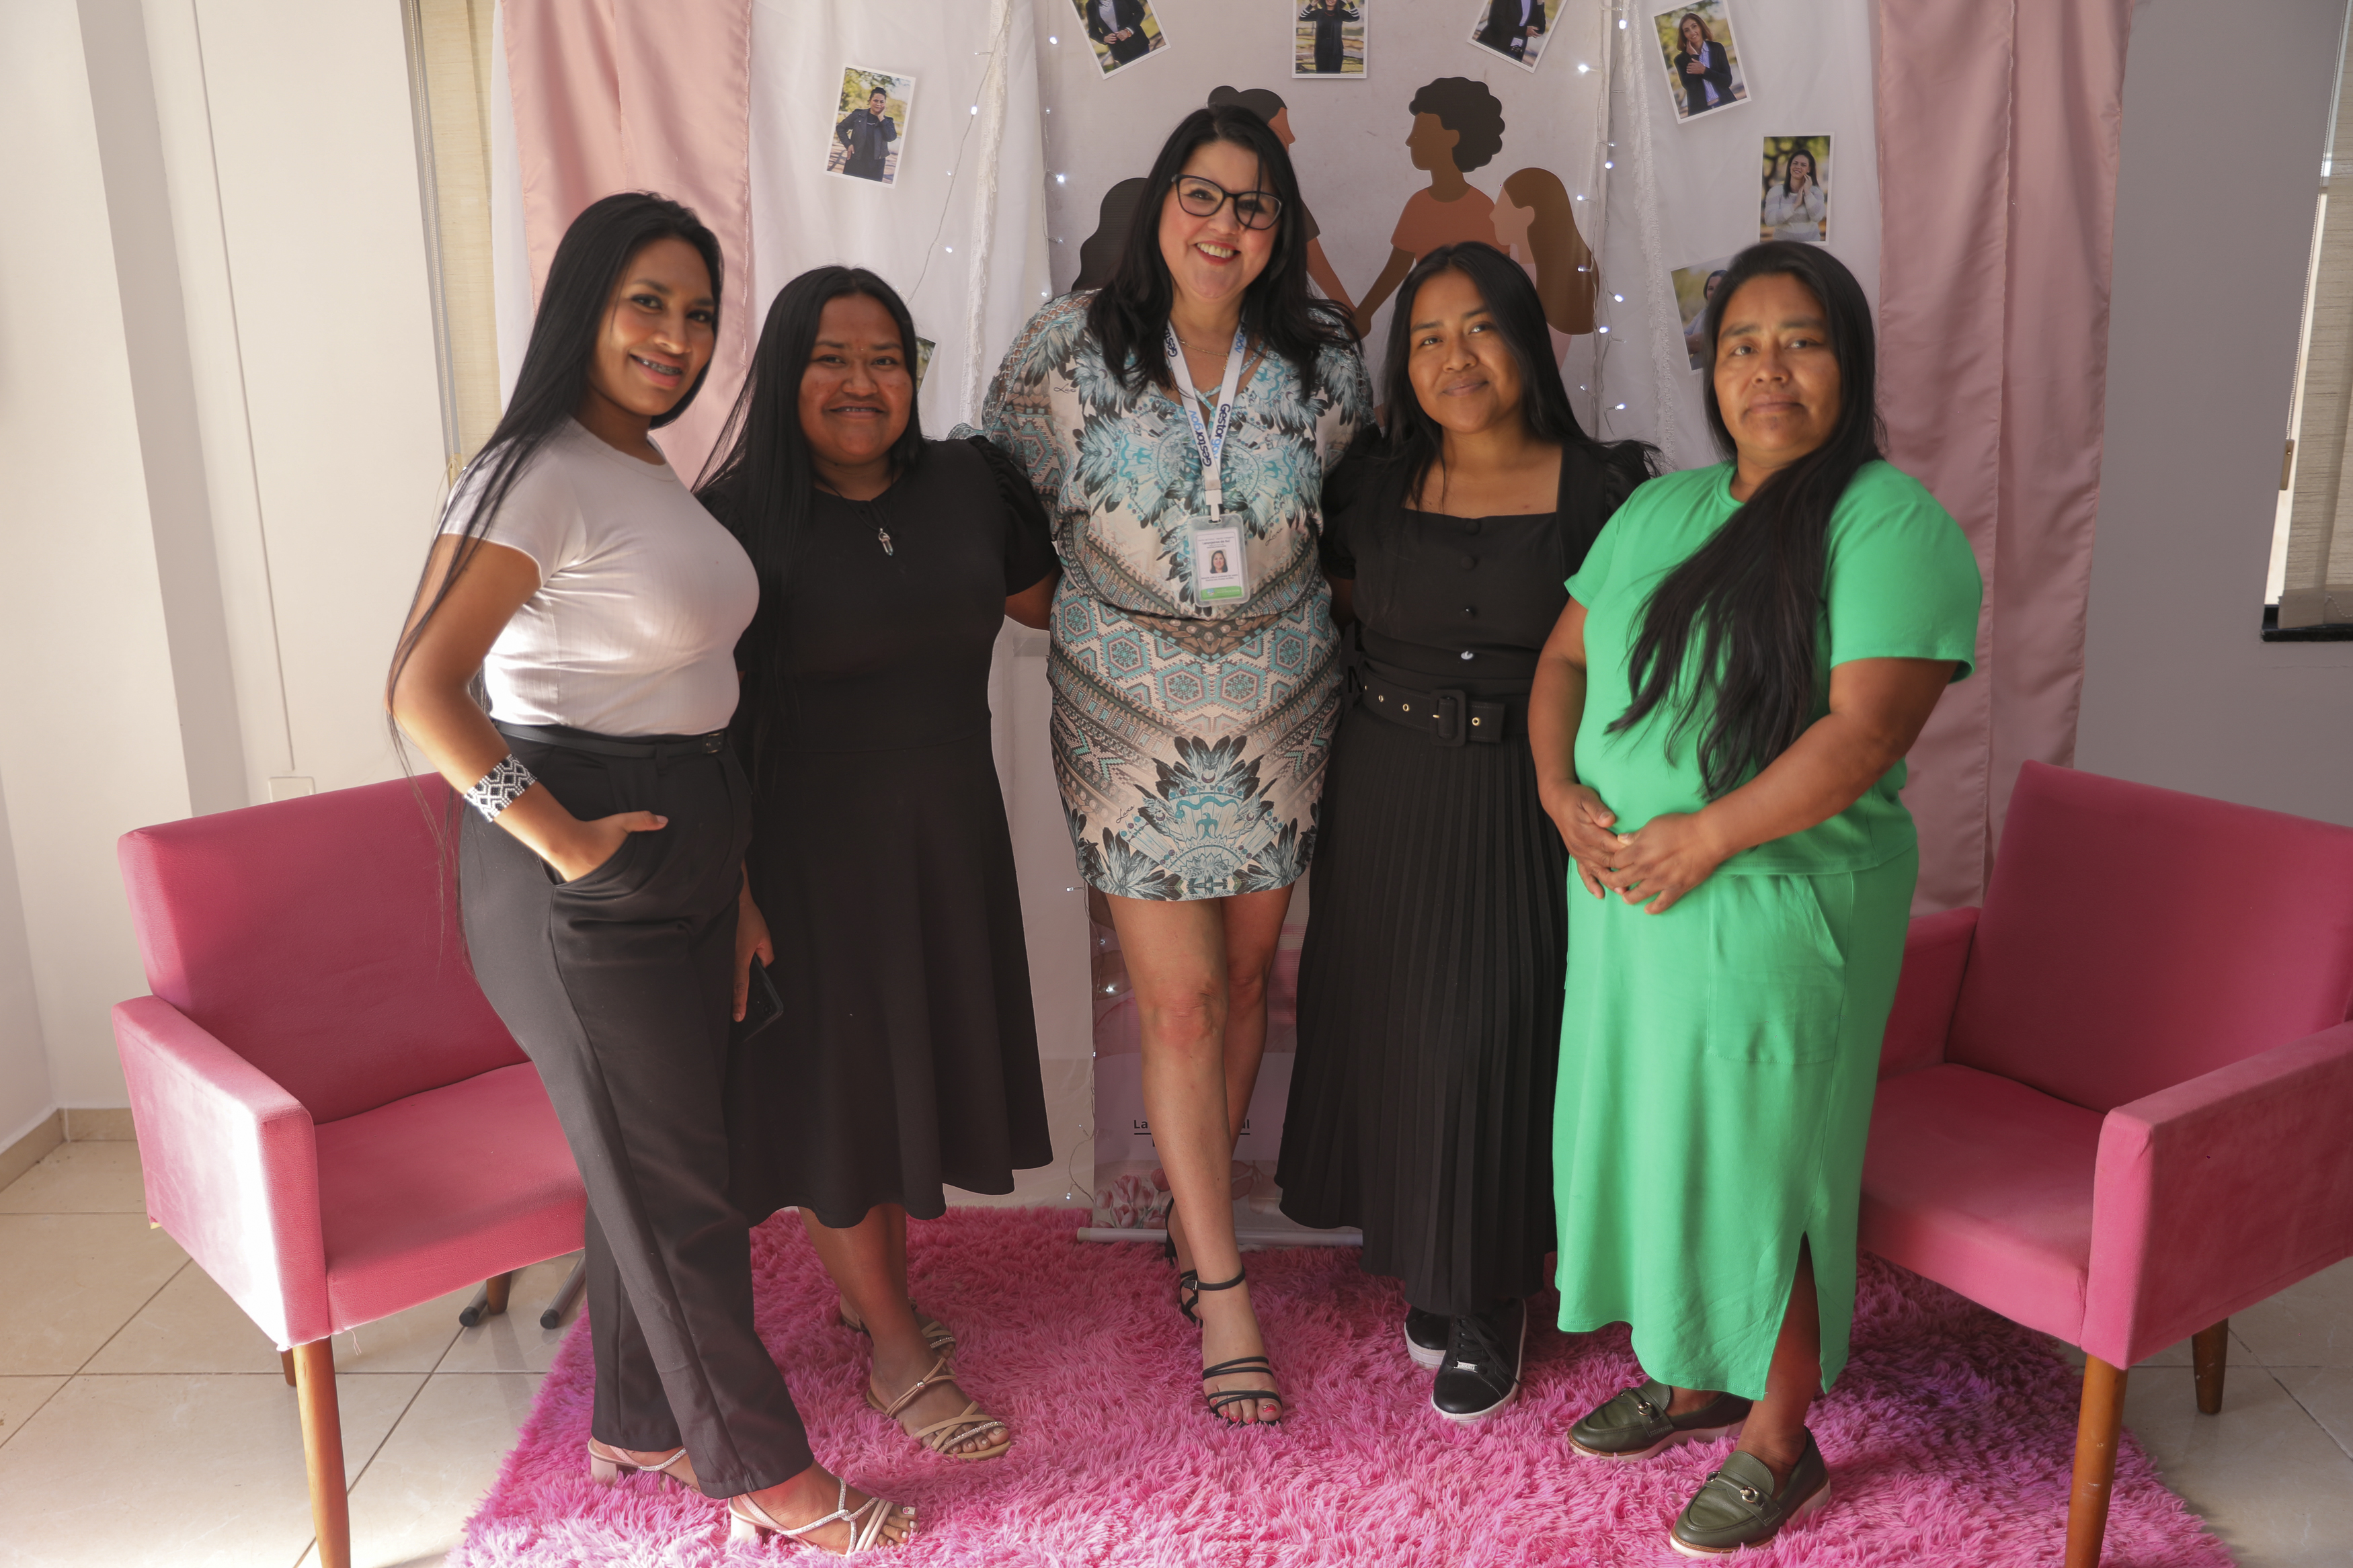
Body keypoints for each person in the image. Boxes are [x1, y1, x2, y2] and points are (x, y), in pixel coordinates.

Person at [386, 193, 914, 1555]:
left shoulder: (633, 465)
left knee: (666, 1163)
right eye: (647, 305)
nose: (675, 336)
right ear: (584, 307)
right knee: (678, 1188)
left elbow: (677, 686)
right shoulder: (532, 472)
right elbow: (423, 690)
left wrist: (727, 884)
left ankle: (640, 1417)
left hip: (684, 849)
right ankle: (767, 1474)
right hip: (579, 867)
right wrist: (565, 840)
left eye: (696, 312)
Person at [1530, 241, 1981, 1553]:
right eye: (1739, 344)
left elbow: (1867, 730)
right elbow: (1561, 662)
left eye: (1799, 341)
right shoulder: (1656, 512)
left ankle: (1778, 1437)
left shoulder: (1889, 522)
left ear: (1851, 362)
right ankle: (1693, 1375)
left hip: (1779, 902)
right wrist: (1559, 791)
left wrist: (1706, 836)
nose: (1765, 368)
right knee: (1657, 1134)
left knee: (1761, 1158)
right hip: (1633, 898)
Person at [980, 103, 1372, 1427]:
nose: (1224, 225)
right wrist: (1091, 621)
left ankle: (1192, 1219)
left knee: (1250, 980)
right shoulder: (1066, 343)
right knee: (1185, 1005)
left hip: (1282, 711)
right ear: (1161, 203)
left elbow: (1345, 515)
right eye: (1201, 195)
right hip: (1127, 720)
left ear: (1280, 229)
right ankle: (1224, 1284)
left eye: (1254, 205)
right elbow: (1003, 503)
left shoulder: (1325, 358)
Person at [1280, 242, 1652, 1423]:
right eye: (1430, 337)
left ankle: (1492, 1292)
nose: (1456, 357)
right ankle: (1435, 1263)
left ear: (1527, 342)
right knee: (1402, 1030)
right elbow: (1338, 608)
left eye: (1481, 328)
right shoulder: (1370, 485)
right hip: (1387, 787)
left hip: (1529, 795)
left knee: (1497, 1036)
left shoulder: (1608, 489)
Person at [700, 266, 1059, 1465]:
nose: (863, 383)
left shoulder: (968, 483)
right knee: (840, 1094)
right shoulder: (733, 518)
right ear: (784, 373)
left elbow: (1046, 604)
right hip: (805, 852)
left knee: (903, 1077)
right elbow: (697, 723)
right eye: (832, 359)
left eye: (887, 359)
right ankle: (897, 1345)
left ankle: (872, 1296)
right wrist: (733, 888)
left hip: (948, 834)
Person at [1354, 78, 1508, 340]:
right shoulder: (1419, 205)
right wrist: (1363, 314)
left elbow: (1504, 275)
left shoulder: (1482, 209)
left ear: (1451, 138)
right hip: (1430, 321)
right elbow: (1396, 268)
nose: (1409, 141)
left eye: (1420, 132)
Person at [1205, 86, 1357, 313]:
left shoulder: (1284, 199)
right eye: (1282, 130)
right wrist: (1349, 310)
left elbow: (1313, 260)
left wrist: (1348, 311)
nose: (1292, 138)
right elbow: (1314, 259)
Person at [1490, 167, 1599, 354]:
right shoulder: (1499, 268)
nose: (1492, 215)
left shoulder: (1563, 283)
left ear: (1528, 215)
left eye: (1502, 206)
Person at [1671, 12, 1736, 117]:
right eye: (1687, 30)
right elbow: (1690, 86)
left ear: (1701, 27)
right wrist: (1694, 57)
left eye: (1694, 26)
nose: (1692, 32)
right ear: (1684, 35)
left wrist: (1704, 71)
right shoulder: (1680, 60)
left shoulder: (1717, 48)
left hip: (1726, 104)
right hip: (1701, 112)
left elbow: (1727, 81)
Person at [1762, 148, 1827, 242]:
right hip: (1784, 246)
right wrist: (1795, 205)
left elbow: (1817, 217)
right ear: (1790, 166)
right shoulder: (1776, 191)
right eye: (1795, 163)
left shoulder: (1816, 192)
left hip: (1810, 246)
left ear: (1809, 169)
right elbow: (1770, 221)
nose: (1798, 167)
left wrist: (1807, 193)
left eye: (1803, 165)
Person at [835, 87, 898, 183]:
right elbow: (841, 128)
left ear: (885, 104)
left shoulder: (887, 121)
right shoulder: (858, 115)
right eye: (875, 101)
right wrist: (848, 144)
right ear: (870, 100)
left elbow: (891, 138)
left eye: (882, 102)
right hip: (856, 160)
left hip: (876, 166)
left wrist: (881, 118)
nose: (878, 104)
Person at [1296, 0, 1360, 74]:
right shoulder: (1319, 13)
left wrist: (1350, 3)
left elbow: (1355, 17)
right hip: (1321, 49)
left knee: (1335, 75)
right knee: (1322, 74)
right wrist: (1311, 5)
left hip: (1336, 49)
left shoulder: (1341, 13)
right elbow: (1302, 17)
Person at [1086, 0, 1154, 68]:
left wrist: (1128, 31)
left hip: (1139, 44)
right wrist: (1104, 38)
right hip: (1121, 53)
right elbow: (1093, 32)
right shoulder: (1091, 5)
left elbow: (1139, 12)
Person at [1474, 0, 1548, 63]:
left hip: (1516, 53)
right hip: (1494, 46)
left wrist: (1540, 4)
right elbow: (1496, 22)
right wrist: (1523, 31)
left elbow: (1540, 29)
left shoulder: (1534, 2)